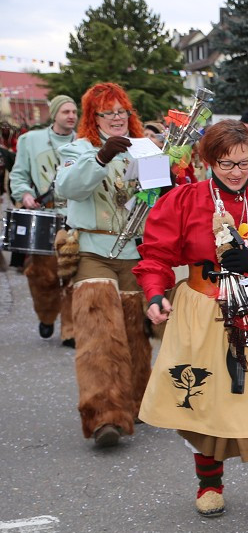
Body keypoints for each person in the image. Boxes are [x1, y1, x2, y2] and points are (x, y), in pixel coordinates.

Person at [134, 120, 248, 533]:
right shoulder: (184, 200)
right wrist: (154, 294)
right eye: (226, 163)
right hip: (202, 310)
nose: (236, 172)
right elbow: (156, 256)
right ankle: (209, 484)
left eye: (244, 163)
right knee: (206, 401)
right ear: (208, 161)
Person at [54, 82, 151, 448]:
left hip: (133, 251)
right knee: (98, 333)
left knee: (134, 335)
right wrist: (101, 158)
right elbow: (67, 188)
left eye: (121, 111)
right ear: (93, 119)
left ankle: (137, 402)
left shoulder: (143, 150)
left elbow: (153, 203)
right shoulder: (77, 149)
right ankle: (104, 416)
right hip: (93, 248)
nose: (115, 118)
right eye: (107, 112)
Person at [9, 94, 78, 344]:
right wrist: (25, 194)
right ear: (55, 114)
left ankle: (70, 330)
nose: (71, 116)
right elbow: (18, 175)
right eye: (65, 112)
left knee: (74, 277)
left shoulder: (83, 141)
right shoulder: (31, 140)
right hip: (45, 217)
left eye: (74, 111)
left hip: (76, 218)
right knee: (44, 276)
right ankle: (47, 314)